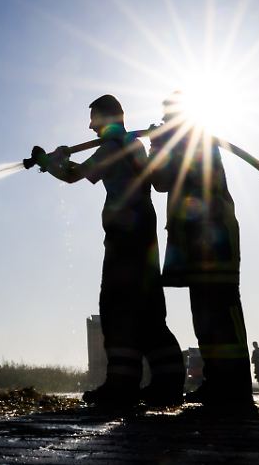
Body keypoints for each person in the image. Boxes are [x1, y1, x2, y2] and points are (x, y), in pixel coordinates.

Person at [38, 94, 185, 408]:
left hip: (124, 237)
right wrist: (59, 160)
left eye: (94, 119)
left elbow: (74, 174)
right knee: (147, 311)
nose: (90, 127)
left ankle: (122, 385)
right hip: (144, 235)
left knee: (116, 307)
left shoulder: (112, 148)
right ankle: (168, 383)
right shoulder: (134, 146)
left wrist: (49, 162)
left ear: (107, 119)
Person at [147, 92, 252, 406]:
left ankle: (234, 388)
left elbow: (163, 179)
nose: (166, 122)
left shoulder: (196, 142)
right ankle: (218, 382)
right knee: (205, 314)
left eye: (169, 118)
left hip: (214, 241)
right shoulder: (186, 142)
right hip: (196, 242)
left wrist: (158, 147)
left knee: (221, 311)